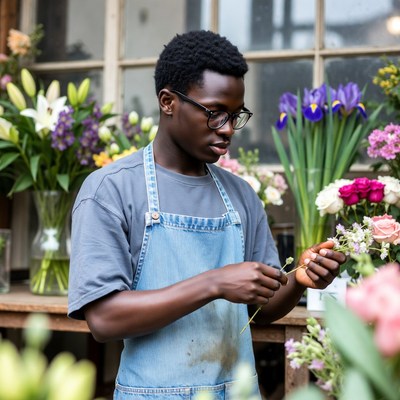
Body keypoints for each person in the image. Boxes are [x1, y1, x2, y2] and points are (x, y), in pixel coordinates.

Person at [68, 30, 345, 399]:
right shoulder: (111, 190)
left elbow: (260, 309)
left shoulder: (240, 195)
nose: (228, 129)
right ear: (168, 101)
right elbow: (103, 320)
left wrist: (298, 280)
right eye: (214, 113)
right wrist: (214, 284)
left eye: (236, 115)